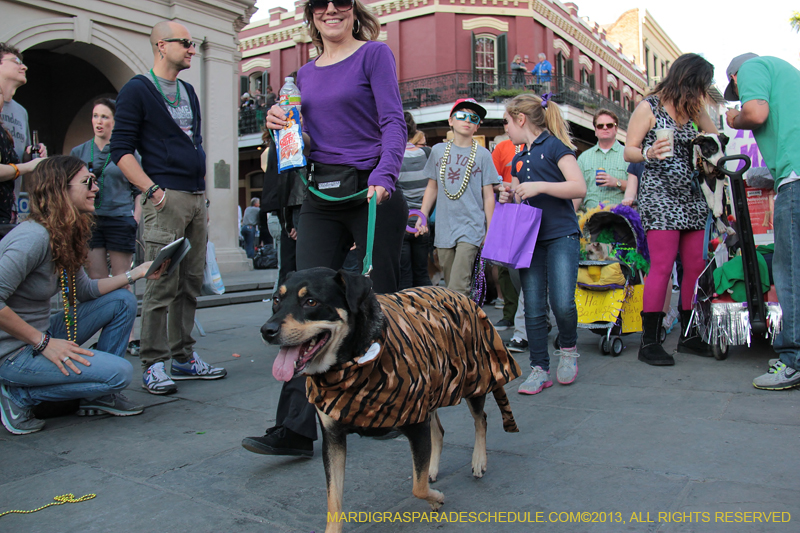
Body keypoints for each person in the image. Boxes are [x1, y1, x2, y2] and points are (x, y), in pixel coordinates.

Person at [244, 0, 407, 457]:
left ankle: (384, 407)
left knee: (377, 299)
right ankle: (295, 428)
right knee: (301, 295)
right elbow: (309, 142)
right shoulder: (303, 75)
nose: (330, 9)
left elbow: (392, 120)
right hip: (322, 190)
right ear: (311, 14)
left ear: (353, 10)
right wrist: (282, 127)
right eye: (319, 3)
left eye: (340, 1)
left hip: (372, 188)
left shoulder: (374, 54)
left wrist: (385, 175)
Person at [0, 156, 165, 435]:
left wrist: (136, 273)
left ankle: (98, 396)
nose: (96, 188)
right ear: (60, 189)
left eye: (95, 181)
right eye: (87, 182)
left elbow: (86, 291)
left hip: (38, 335)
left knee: (122, 300)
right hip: (11, 353)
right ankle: (16, 397)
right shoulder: (33, 238)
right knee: (120, 373)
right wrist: (43, 343)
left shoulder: (62, 233)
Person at [111, 20, 227, 395]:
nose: (192, 49)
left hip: (193, 197)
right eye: (186, 43)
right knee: (161, 284)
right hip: (165, 197)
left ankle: (183, 356)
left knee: (191, 283)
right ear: (162, 45)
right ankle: (153, 363)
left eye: (194, 44)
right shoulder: (137, 90)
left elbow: (196, 143)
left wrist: (203, 196)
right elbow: (121, 151)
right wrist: (152, 190)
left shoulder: (189, 92)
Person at [623, 53, 719, 366]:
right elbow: (630, 150)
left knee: (695, 265)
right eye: (700, 85)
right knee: (662, 267)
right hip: (660, 194)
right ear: (687, 80)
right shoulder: (649, 106)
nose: (702, 92)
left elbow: (716, 139)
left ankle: (690, 335)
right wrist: (649, 151)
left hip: (693, 194)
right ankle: (649, 342)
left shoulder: (695, 110)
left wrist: (708, 145)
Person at [499, 93, 586, 395]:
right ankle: (539, 368)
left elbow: (579, 187)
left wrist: (539, 186)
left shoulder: (556, 147)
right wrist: (510, 193)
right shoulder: (519, 158)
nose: (505, 129)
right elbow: (523, 193)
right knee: (533, 307)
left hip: (562, 234)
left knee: (562, 302)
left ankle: (568, 348)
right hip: (530, 238)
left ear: (520, 119)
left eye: (506, 122)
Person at [724, 53, 800, 390]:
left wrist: (734, 118)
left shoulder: (753, 67)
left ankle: (794, 361)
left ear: (736, 77)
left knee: (791, 273)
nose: (740, 98)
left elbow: (756, 113)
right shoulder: (786, 77)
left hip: (795, 181)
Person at [70, 98, 142, 352]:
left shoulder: (126, 151)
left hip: (120, 218)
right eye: (95, 116)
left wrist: (135, 216)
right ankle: (106, 333)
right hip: (91, 220)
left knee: (123, 279)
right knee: (98, 279)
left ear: (114, 121)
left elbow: (138, 188)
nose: (98, 122)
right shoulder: (79, 152)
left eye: (104, 117)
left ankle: (129, 336)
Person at [416, 99, 495, 296]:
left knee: (458, 287)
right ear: (451, 121)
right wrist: (422, 215)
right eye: (462, 116)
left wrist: (490, 229)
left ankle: (456, 325)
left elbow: (488, 195)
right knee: (452, 285)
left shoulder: (484, 155)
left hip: (471, 226)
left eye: (473, 118)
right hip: (444, 227)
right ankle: (465, 321)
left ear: (477, 125)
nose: (467, 120)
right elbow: (432, 187)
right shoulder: (437, 151)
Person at [491, 138, 522, 331]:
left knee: (530, 265)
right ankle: (509, 313)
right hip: (506, 210)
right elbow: (491, 181)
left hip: (532, 210)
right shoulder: (502, 147)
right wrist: (505, 187)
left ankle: (537, 316)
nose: (506, 126)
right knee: (503, 264)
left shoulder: (540, 144)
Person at [1, 84, 44, 224]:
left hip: (7, 208)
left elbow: (14, 161)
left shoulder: (3, 130)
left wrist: (31, 153)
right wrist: (28, 166)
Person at [398, 112, 431, 289]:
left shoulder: (392, 158)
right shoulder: (426, 154)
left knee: (404, 278)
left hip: (400, 224)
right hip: (422, 223)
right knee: (422, 275)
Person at [578, 109, 629, 210]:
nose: (605, 128)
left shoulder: (627, 155)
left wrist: (616, 182)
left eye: (609, 125)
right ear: (595, 130)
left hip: (618, 217)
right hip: (590, 218)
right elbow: (577, 190)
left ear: (616, 128)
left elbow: (638, 187)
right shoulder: (584, 158)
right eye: (600, 126)